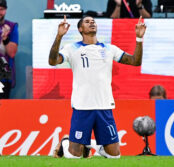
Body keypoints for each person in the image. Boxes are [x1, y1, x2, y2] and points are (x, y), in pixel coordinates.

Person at [49, 15, 146, 158]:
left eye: (93, 21)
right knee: (74, 156)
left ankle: (91, 144)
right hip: (82, 106)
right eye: (87, 22)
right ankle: (65, 141)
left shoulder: (109, 48)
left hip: (104, 105)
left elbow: (135, 61)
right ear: (80, 29)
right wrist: (59, 36)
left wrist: (139, 39)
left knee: (114, 156)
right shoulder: (71, 48)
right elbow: (52, 61)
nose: (92, 22)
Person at [0, 0, 18, 99]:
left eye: (1, 9)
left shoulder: (12, 27)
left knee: (2, 108)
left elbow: (12, 53)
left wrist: (5, 39)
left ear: (5, 10)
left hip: (3, 74)